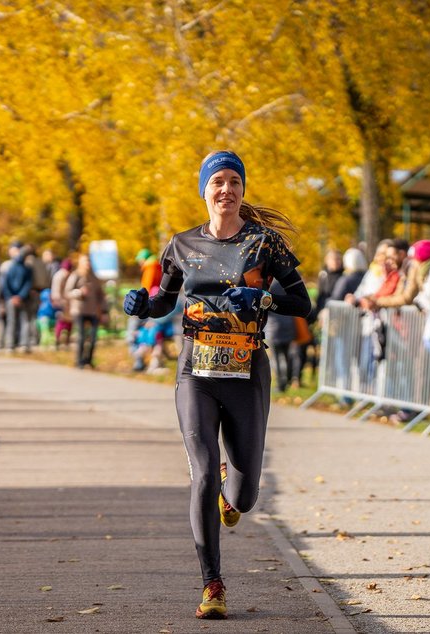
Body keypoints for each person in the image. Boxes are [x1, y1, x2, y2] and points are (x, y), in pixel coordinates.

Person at [123, 150, 310, 620]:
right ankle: (213, 584)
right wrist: (141, 307)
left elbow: (302, 304)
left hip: (246, 372)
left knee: (243, 497)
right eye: (217, 182)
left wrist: (262, 296)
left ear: (242, 189)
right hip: (196, 372)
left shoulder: (264, 244)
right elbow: (164, 299)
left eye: (233, 181)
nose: (225, 189)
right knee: (202, 474)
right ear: (204, 190)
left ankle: (233, 488)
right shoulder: (181, 244)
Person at [64, 254, 106, 368]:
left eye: (89, 261)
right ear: (80, 263)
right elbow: (67, 292)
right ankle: (79, 361)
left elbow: (101, 294)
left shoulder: (94, 277)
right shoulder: (75, 275)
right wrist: (79, 292)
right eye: (85, 261)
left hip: (93, 311)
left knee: (93, 337)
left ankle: (89, 360)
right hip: (79, 310)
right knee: (81, 336)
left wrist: (103, 310)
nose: (87, 264)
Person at [2, 244, 33, 352]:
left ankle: (12, 344)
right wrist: (18, 296)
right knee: (23, 321)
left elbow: (5, 284)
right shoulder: (26, 268)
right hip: (20, 298)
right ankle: (20, 344)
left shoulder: (10, 267)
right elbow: (27, 284)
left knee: (14, 321)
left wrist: (12, 297)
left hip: (15, 298)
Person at [50, 258, 74, 349]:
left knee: (69, 322)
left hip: (67, 301)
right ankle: (57, 340)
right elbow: (56, 290)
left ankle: (66, 341)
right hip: (61, 301)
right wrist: (58, 301)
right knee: (61, 320)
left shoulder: (69, 275)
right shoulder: (59, 276)